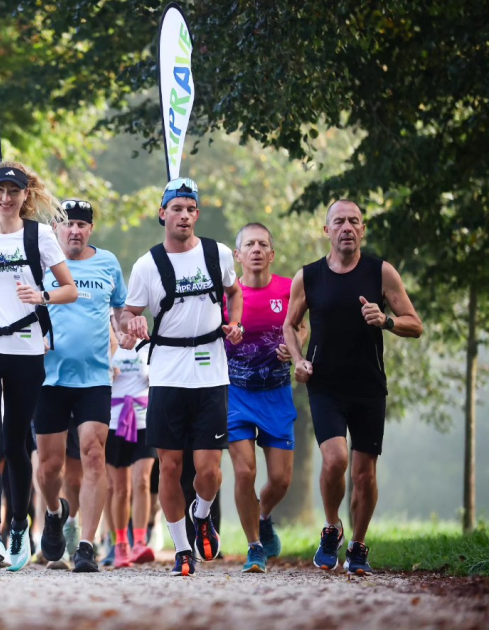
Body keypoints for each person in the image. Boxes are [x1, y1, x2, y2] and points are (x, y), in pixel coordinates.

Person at [283, 200, 422, 575]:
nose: (347, 227)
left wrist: (386, 321)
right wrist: (298, 360)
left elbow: (414, 323)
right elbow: (290, 324)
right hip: (325, 385)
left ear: (362, 229)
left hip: (368, 386)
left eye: (354, 221)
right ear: (326, 230)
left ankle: (358, 546)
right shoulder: (308, 277)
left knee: (364, 474)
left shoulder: (381, 272)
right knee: (335, 460)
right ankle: (332, 527)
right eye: (339, 221)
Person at [0, 161, 77, 571]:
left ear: (24, 196)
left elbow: (69, 289)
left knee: (16, 443)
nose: (5, 198)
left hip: (25, 347)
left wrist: (41, 297)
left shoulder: (38, 236)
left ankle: (19, 526)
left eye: (13, 191)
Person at [120, 178, 243, 577]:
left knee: (209, 470)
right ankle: (183, 549)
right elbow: (127, 314)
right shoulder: (147, 265)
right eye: (177, 209)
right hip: (168, 372)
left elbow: (234, 292)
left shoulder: (217, 254)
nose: (184, 216)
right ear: (163, 214)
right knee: (169, 468)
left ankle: (202, 514)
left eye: (191, 209)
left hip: (211, 371)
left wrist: (236, 323)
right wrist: (133, 322)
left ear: (197, 214)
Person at [35, 199, 127, 573]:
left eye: (81, 224)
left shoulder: (108, 263)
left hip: (94, 379)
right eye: (68, 223)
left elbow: (121, 311)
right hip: (49, 379)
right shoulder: (42, 263)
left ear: (90, 229)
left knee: (93, 454)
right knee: (49, 468)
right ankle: (54, 512)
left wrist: (128, 329)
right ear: (57, 228)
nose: (74, 230)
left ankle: (86, 545)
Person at [226, 223, 307, 573]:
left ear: (272, 254)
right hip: (236, 394)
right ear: (238, 255)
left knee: (281, 479)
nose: (256, 250)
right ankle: (254, 547)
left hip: (276, 393)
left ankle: (263, 515)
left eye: (262, 245)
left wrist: (295, 347)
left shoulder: (289, 289)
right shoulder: (228, 294)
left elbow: (302, 325)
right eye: (249, 245)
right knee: (245, 472)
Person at [105, 337, 157, 568]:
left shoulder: (147, 344)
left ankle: (139, 541)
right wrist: (107, 372)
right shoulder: (107, 342)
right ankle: (120, 544)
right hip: (114, 421)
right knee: (120, 489)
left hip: (143, 420)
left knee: (142, 481)